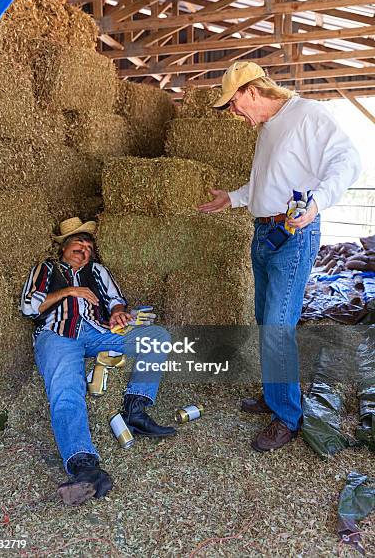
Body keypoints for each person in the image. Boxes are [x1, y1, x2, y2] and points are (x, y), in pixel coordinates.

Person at [198, 61, 362, 452]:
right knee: (264, 320)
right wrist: (234, 199)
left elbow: (348, 161)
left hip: (294, 234)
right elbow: (265, 183)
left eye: (234, 104)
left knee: (276, 326)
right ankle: (275, 396)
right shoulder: (269, 130)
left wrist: (318, 202)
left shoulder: (307, 114)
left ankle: (288, 417)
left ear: (251, 91)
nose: (234, 113)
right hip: (265, 233)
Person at [21, 217, 176, 506]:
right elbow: (29, 306)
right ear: (63, 247)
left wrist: (118, 312)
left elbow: (116, 300)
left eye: (89, 246)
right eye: (79, 243)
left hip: (97, 332)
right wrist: (69, 291)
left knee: (157, 335)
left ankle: (136, 409)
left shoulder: (98, 271)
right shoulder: (47, 268)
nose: (85, 249)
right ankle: (83, 466)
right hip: (58, 334)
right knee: (67, 390)